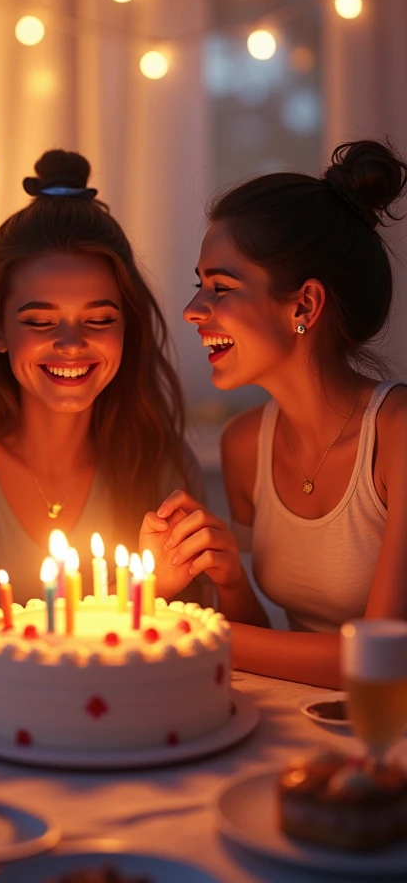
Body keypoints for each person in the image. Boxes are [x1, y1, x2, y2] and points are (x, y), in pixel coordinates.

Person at [0, 149, 205, 669]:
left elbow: (198, 641)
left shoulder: (159, 458)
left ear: (128, 328)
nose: (70, 343)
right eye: (40, 322)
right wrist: (116, 612)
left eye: (99, 320)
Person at [157, 139, 407, 688]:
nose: (193, 310)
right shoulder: (244, 444)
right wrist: (227, 579)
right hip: (301, 728)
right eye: (200, 285)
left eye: (221, 287)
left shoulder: (397, 434)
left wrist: (185, 629)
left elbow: (381, 662)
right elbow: (267, 649)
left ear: (304, 305)